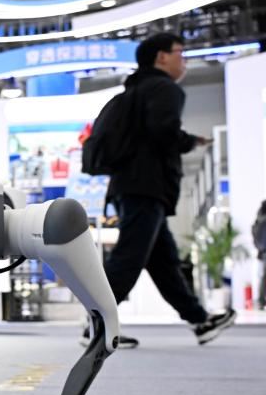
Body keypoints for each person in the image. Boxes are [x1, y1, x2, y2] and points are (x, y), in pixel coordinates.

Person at [88, 33, 236, 348]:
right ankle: (96, 326)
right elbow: (163, 131)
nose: (185, 61)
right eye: (180, 53)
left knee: (164, 262)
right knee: (128, 258)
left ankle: (199, 320)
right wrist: (189, 141)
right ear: (161, 57)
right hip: (146, 186)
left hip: (131, 185)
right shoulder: (164, 88)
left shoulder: (135, 91)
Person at [253, 200, 266, 310]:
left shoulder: (260, 215)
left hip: (263, 251)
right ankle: (261, 301)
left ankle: (261, 301)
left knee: (263, 276)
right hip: (264, 251)